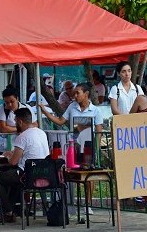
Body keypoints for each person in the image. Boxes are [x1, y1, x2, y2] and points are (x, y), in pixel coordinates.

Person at [39, 82, 103, 214]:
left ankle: (88, 204)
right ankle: (69, 203)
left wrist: (96, 150)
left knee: (88, 176)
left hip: (89, 149)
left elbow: (99, 132)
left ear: (86, 94)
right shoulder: (72, 107)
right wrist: (44, 111)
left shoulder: (96, 110)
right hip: (73, 147)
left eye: (77, 93)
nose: (75, 96)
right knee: (73, 175)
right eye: (74, 93)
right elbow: (60, 121)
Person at [0, 108, 49, 223]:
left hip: (26, 176)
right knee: (12, 179)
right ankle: (11, 211)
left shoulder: (22, 137)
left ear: (20, 122)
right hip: (45, 174)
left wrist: (9, 155)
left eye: (15, 121)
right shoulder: (41, 132)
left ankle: (7, 211)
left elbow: (13, 162)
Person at [0, 87, 36, 153]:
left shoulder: (27, 107)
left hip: (23, 146)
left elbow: (35, 125)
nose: (9, 105)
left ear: (17, 98)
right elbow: (3, 129)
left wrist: (11, 128)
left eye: (12, 101)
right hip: (4, 147)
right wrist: (21, 128)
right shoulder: (1, 109)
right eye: (7, 102)